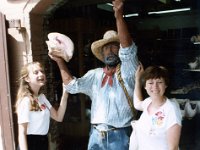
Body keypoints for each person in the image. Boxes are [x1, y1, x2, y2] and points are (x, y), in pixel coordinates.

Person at [48, 0, 139, 149]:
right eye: (106, 48)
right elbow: (71, 86)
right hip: (96, 135)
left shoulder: (128, 71)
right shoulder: (94, 75)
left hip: (121, 136)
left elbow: (128, 50)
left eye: (114, 47)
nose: (110, 51)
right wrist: (59, 61)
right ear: (102, 53)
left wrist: (119, 17)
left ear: (119, 49)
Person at [15, 62, 68, 150]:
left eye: (42, 71)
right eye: (36, 72)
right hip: (30, 143)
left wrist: (65, 94)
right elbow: (22, 133)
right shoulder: (26, 101)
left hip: (42, 142)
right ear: (27, 78)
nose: (41, 74)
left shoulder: (42, 98)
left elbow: (58, 117)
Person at [131, 65, 182, 150]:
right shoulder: (148, 102)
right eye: (150, 83)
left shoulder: (171, 110)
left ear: (165, 85)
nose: (155, 86)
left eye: (159, 82)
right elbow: (137, 104)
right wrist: (137, 80)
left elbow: (173, 148)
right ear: (145, 86)